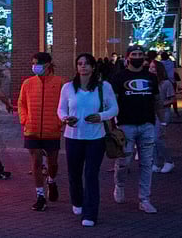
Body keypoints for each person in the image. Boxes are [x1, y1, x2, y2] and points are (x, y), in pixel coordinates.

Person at [58, 53, 118, 227]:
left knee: (91, 175)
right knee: (74, 173)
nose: (83, 67)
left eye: (86, 64)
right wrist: (66, 118)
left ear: (93, 67)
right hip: (73, 136)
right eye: (80, 64)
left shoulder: (103, 87)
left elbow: (114, 108)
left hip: (95, 138)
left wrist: (101, 116)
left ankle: (90, 213)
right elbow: (61, 109)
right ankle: (77, 201)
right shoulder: (68, 87)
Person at [111, 45, 162, 214]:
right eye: (134, 54)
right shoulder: (119, 77)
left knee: (147, 163)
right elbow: (113, 102)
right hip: (126, 125)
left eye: (140, 54)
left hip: (147, 124)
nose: (138, 57)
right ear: (127, 57)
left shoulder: (151, 77)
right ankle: (119, 185)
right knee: (124, 161)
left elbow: (156, 99)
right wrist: (113, 124)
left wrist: (160, 121)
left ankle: (144, 198)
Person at [18, 52, 65, 211]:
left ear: (47, 64)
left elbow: (64, 105)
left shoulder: (59, 83)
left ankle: (51, 181)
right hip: (32, 129)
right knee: (36, 161)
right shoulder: (28, 83)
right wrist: (24, 119)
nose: (34, 66)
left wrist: (59, 122)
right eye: (33, 63)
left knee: (53, 163)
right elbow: (21, 103)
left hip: (52, 130)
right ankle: (40, 195)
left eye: (37, 63)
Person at [150, 60, 175, 174]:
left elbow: (172, 99)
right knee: (152, 139)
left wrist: (160, 103)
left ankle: (168, 160)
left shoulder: (166, 83)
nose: (151, 70)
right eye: (150, 67)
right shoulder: (149, 82)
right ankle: (155, 163)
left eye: (154, 68)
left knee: (157, 138)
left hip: (163, 112)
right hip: (151, 112)